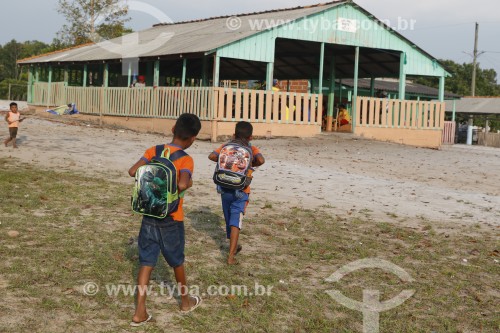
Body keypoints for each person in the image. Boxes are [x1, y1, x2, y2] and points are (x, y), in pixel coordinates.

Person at [128, 113, 202, 326]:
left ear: (173, 129)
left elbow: (133, 171)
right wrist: (187, 184)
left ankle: (140, 312)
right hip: (171, 218)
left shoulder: (154, 150)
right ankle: (185, 302)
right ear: (193, 139)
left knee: (146, 262)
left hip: (149, 213)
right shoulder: (186, 159)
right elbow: (182, 184)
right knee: (176, 260)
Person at [208, 121, 265, 265]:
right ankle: (231, 256)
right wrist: (250, 165)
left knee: (229, 219)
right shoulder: (252, 148)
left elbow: (212, 156)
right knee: (235, 221)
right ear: (251, 137)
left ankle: (234, 246)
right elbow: (261, 160)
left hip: (224, 187)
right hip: (241, 189)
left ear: (234, 134)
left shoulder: (226, 146)